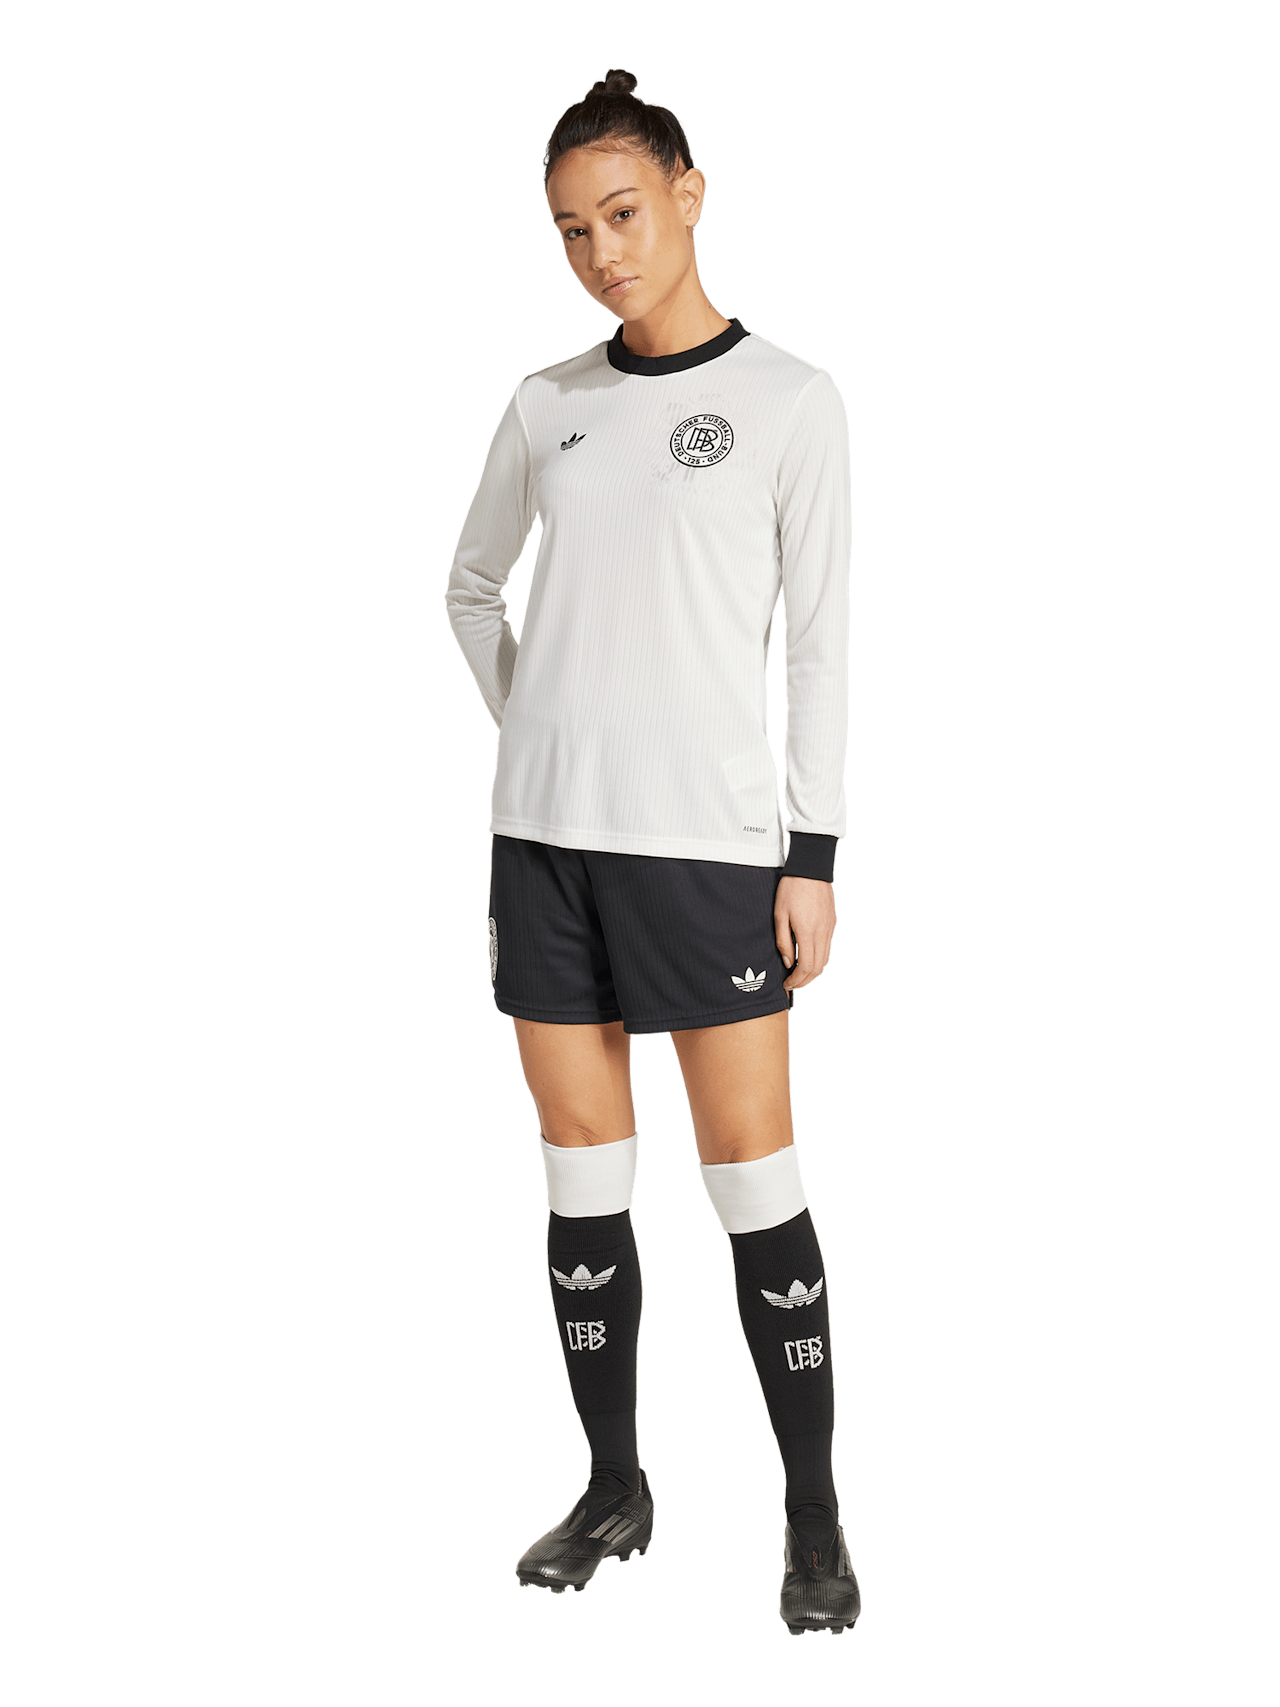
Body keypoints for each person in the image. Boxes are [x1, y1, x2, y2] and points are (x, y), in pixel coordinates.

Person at [444, 68, 859, 1636]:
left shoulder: (794, 401)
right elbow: (469, 587)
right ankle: (613, 1482)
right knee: (581, 1173)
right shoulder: (544, 403)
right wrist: (539, 723)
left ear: (688, 192)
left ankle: (812, 1513)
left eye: (622, 213)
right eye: (571, 231)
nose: (601, 251)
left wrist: (812, 847)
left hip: (710, 850)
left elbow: (817, 641)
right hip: (543, 847)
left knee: (755, 1178)